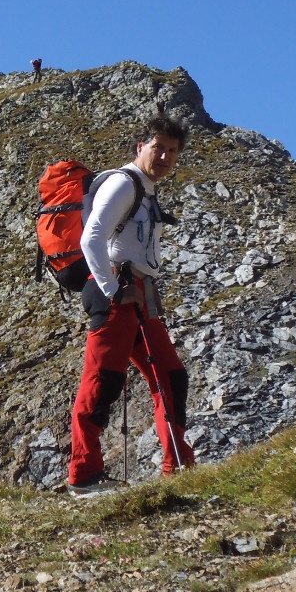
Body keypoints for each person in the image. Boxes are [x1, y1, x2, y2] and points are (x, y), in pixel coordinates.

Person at [68, 116, 194, 497]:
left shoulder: (146, 189)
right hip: (117, 290)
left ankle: (179, 466)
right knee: (102, 382)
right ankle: (84, 475)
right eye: (158, 148)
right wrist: (112, 289)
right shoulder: (123, 184)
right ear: (140, 147)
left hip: (140, 292)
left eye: (172, 151)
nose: (165, 157)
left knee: (171, 377)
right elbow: (92, 238)